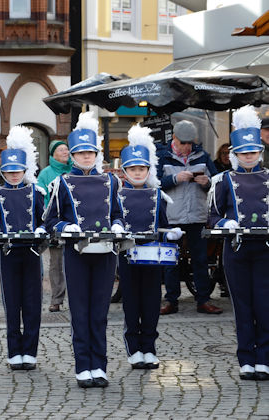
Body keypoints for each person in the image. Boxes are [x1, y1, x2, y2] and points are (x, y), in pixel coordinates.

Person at [43, 111, 125, 388]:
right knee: (80, 309)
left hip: (105, 252)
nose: (86, 157)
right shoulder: (62, 183)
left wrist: (116, 225)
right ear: (73, 157)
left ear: (97, 153)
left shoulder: (112, 182)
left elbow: (118, 214)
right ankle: (82, 366)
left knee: (99, 310)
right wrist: (65, 226)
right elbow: (50, 219)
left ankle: (99, 365)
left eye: (90, 152)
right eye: (81, 153)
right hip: (76, 253)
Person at [209, 106, 269, 381]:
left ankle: (264, 358)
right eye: (243, 153)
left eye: (253, 152)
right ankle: (246, 358)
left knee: (265, 304)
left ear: (260, 152)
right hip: (236, 248)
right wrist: (225, 224)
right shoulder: (223, 180)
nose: (248, 157)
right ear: (234, 155)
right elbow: (213, 215)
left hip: (265, 249)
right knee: (242, 305)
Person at [0, 125, 45, 371]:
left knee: (32, 304)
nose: (14, 175)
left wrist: (41, 231)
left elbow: (45, 221)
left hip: (31, 253)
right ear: (3, 172)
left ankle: (30, 352)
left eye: (17, 170)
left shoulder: (36, 192)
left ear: (25, 170)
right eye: (9, 171)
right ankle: (14, 351)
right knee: (12, 303)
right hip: (8, 254)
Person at [117, 124, 182, 371]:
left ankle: (149, 348)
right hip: (128, 256)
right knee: (131, 303)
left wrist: (172, 234)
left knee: (152, 303)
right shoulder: (118, 196)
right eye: (132, 168)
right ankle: (134, 349)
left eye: (141, 168)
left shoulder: (157, 195)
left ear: (148, 169)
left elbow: (163, 226)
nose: (137, 172)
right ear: (125, 171)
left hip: (153, 257)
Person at [156, 120, 222, 315]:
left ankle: (203, 300)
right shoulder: (162, 157)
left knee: (200, 259)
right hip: (172, 217)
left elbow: (217, 183)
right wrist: (174, 179)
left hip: (196, 215)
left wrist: (207, 182)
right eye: (182, 143)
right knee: (171, 261)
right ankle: (171, 301)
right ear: (173, 138)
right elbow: (155, 184)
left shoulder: (203, 155)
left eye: (189, 143)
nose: (186, 147)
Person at [37, 140, 72, 312]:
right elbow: (41, 199)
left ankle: (75, 297)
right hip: (55, 223)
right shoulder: (46, 174)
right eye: (61, 149)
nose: (65, 151)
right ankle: (57, 299)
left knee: (75, 262)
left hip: (75, 225)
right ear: (53, 154)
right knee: (56, 263)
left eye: (66, 149)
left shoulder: (75, 171)